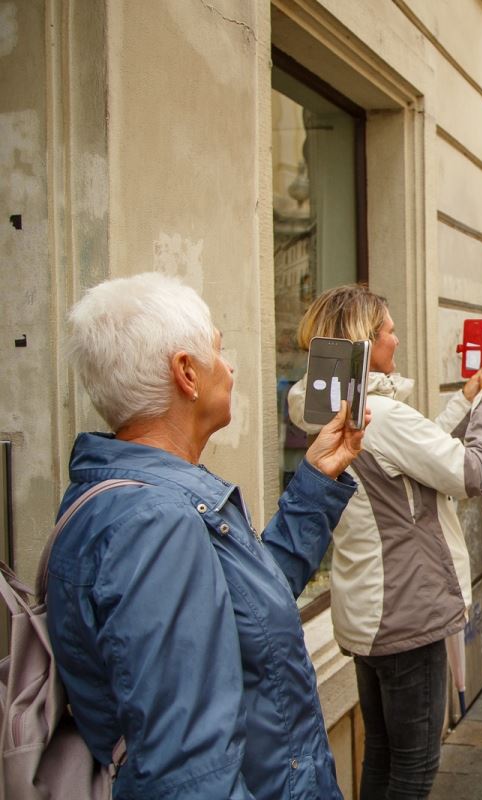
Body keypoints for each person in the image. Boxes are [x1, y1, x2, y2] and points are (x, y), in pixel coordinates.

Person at [47, 273, 366, 799]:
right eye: (218, 350)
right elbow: (188, 775)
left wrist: (316, 481)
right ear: (187, 373)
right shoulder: (155, 525)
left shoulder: (137, 501)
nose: (230, 368)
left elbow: (248, 610)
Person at [287, 285, 482, 800]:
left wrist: (466, 400)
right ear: (366, 342)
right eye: (389, 330)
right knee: (414, 766)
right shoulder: (381, 415)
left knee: (384, 753)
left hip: (369, 606)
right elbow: (472, 472)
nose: (397, 338)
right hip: (406, 611)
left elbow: (412, 454)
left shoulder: (332, 407)